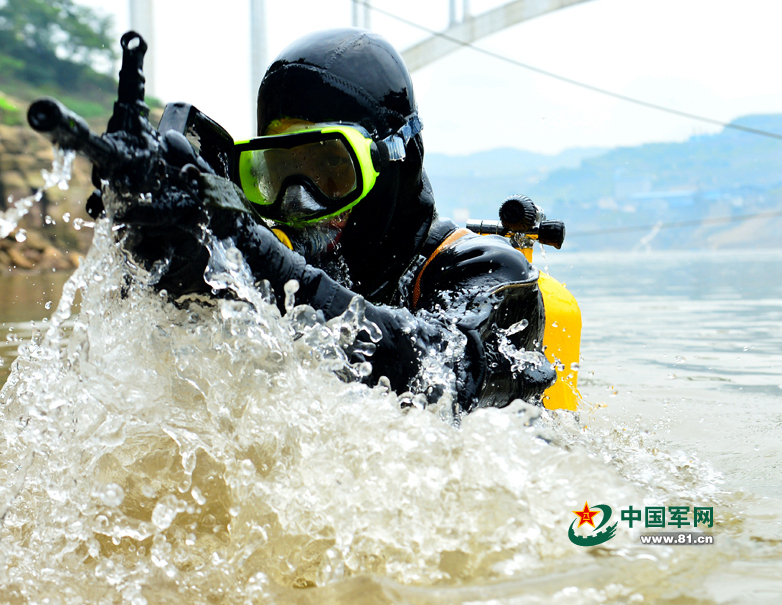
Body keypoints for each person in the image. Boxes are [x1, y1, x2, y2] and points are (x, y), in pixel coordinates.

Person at [105, 28, 555, 416]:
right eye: (280, 172)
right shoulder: (275, 261)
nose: (300, 200)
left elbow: (446, 372)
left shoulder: (492, 274)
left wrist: (263, 261)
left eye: (331, 170)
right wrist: (151, 248)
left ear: (394, 162)